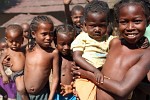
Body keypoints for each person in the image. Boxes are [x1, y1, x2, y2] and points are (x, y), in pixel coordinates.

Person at [72, 0, 150, 100]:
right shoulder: (114, 42)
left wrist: (87, 74)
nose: (130, 27)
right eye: (124, 22)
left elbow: (122, 90)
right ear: (117, 23)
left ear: (147, 22)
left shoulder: (146, 54)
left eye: (137, 21)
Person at [71, 1, 115, 100]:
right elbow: (77, 57)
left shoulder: (110, 39)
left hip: (103, 76)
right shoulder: (82, 38)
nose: (97, 29)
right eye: (93, 25)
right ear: (85, 25)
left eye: (101, 25)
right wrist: (94, 71)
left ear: (108, 24)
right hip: (85, 77)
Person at [23, 15, 59, 100]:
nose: (48, 37)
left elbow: (55, 77)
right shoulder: (28, 49)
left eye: (51, 34)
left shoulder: (53, 53)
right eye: (44, 34)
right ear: (33, 34)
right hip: (24, 95)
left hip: (41, 96)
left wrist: (50, 97)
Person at [0, 24, 28, 100]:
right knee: (21, 89)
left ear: (22, 40)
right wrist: (4, 75)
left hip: (26, 73)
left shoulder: (23, 49)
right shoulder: (7, 51)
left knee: (27, 89)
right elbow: (0, 63)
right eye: (11, 41)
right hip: (18, 74)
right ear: (6, 40)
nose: (14, 44)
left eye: (17, 41)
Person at [53, 24, 77, 100]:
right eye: (62, 44)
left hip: (73, 94)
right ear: (55, 41)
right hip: (57, 95)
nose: (66, 47)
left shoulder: (76, 58)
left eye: (70, 43)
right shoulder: (54, 58)